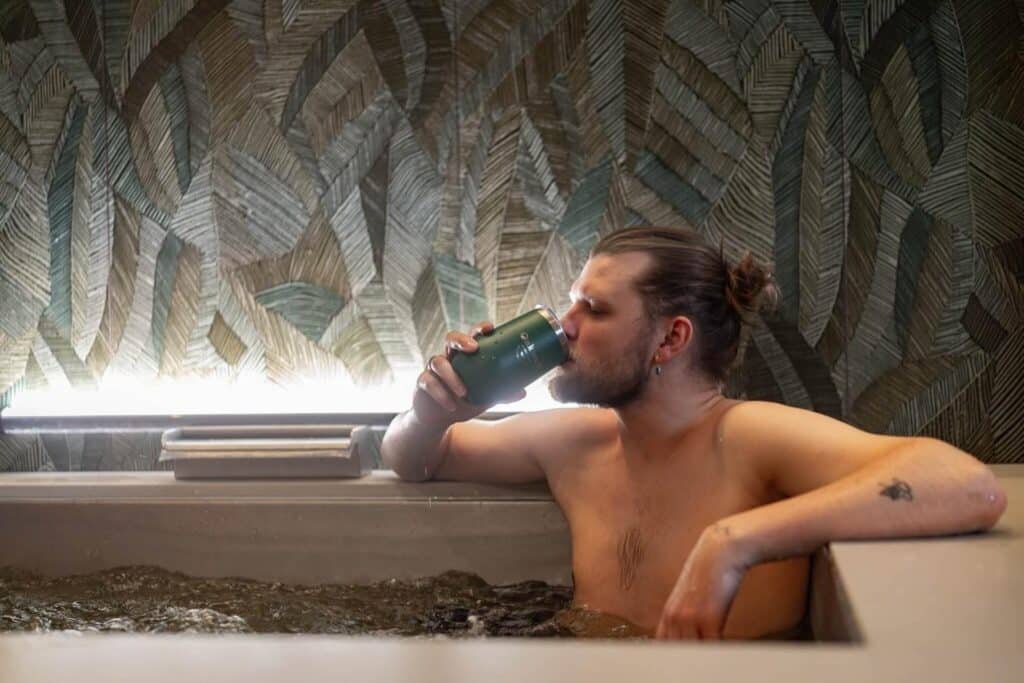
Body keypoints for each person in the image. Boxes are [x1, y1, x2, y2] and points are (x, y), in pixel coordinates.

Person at [380, 225, 1007, 640]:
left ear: (671, 338)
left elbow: (965, 484)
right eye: (572, 303)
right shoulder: (574, 442)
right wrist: (432, 412)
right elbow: (414, 460)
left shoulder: (747, 436)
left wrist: (731, 541)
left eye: (594, 309)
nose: (564, 326)